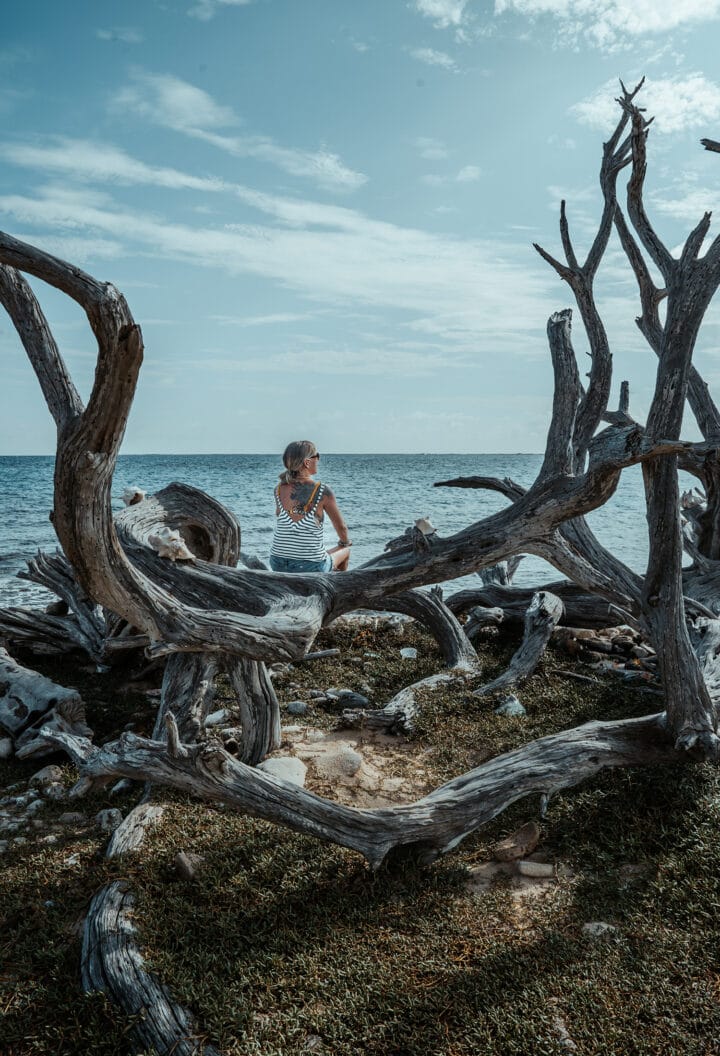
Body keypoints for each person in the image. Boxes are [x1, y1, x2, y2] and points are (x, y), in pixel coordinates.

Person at [269, 441, 352, 573]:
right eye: (316, 456)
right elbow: (341, 527)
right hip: (310, 567)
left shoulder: (278, 489)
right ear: (307, 462)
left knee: (319, 554)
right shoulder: (323, 490)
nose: (318, 459)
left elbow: (281, 516)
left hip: (277, 562)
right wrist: (344, 542)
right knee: (346, 551)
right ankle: (336, 589)